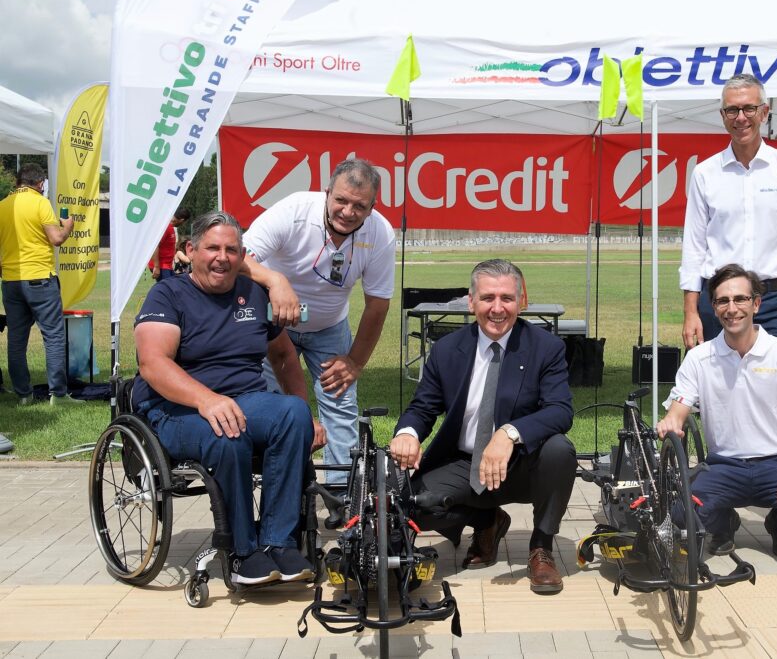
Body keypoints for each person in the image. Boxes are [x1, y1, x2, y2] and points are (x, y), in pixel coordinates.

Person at [678, 73, 777, 550]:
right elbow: (693, 244)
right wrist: (692, 308)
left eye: (749, 108)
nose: (740, 117)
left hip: (772, 299)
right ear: (722, 116)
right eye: (731, 110)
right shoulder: (706, 173)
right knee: (714, 396)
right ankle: (718, 507)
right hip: (717, 299)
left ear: (766, 112)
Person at [132, 212, 326, 586]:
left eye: (231, 250)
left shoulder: (253, 294)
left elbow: (284, 357)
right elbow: (152, 363)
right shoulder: (167, 294)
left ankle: (277, 543)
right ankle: (241, 551)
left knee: (292, 414)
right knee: (228, 434)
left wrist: (307, 415)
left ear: (243, 256)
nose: (222, 257)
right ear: (191, 250)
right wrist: (207, 400)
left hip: (242, 399)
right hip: (176, 409)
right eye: (212, 248)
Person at [389, 259, 575, 594]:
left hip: (521, 465)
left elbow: (560, 411)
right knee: (412, 504)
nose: (498, 308)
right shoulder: (447, 350)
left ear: (521, 301)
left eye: (507, 298)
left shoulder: (545, 348)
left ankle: (542, 546)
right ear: (471, 301)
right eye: (488, 298)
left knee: (560, 449)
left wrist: (509, 433)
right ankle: (487, 521)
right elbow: (423, 408)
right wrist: (407, 434)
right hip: (466, 463)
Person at [658, 264, 777, 560]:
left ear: (756, 303)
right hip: (724, 466)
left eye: (740, 299)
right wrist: (670, 423)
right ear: (714, 308)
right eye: (722, 301)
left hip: (775, 465)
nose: (732, 308)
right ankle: (724, 523)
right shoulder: (700, 358)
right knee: (680, 512)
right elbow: (677, 411)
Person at [243, 158, 395, 485]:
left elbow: (378, 303)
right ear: (326, 193)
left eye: (359, 205)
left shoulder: (380, 232)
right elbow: (238, 257)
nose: (348, 211)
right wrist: (275, 281)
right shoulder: (295, 209)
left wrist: (355, 361)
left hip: (328, 328)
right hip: (274, 327)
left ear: (372, 207)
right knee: (273, 409)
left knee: (340, 408)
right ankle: (281, 491)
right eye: (340, 200)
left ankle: (343, 500)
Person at [0, 163, 76, 407]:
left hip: (11, 280)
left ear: (18, 181)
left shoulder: (2, 206)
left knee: (16, 339)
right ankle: (58, 394)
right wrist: (68, 227)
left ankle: (23, 394)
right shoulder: (40, 202)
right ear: (40, 183)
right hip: (40, 278)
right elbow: (56, 239)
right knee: (53, 336)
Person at [148, 207, 190, 281]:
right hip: (161, 266)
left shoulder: (170, 227)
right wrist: (156, 266)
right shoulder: (165, 227)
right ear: (182, 220)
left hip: (166, 266)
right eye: (184, 222)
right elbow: (154, 246)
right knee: (168, 290)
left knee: (176, 285)